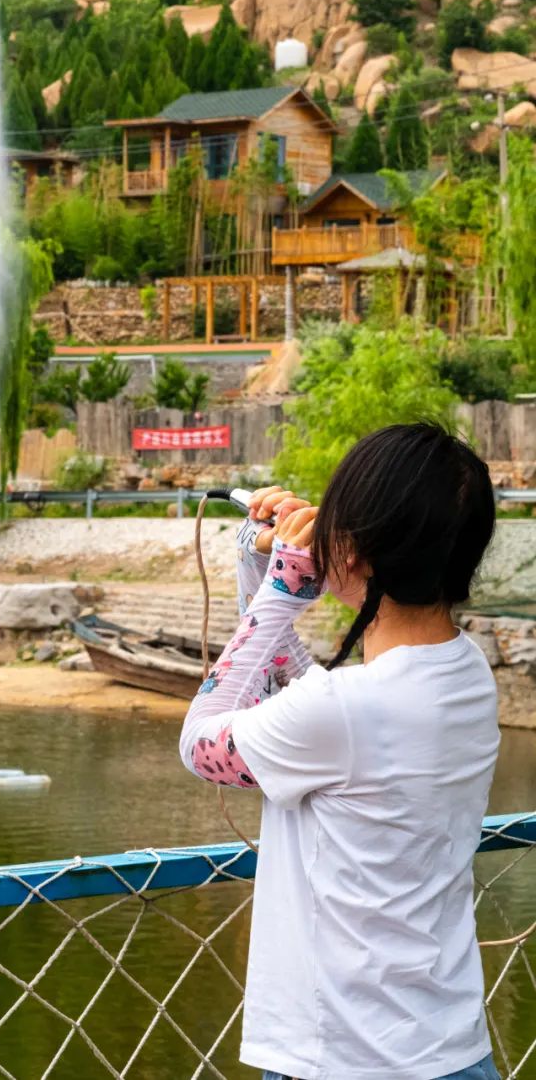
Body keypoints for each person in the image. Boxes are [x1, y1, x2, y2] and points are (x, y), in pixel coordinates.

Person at [179, 423, 500, 1080]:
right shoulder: (467, 673)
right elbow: (306, 700)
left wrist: (279, 590)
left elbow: (200, 742)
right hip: (449, 1050)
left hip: (342, 1059)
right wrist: (260, 569)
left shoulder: (351, 708)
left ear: (358, 553)